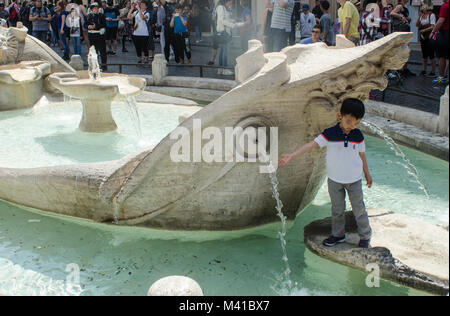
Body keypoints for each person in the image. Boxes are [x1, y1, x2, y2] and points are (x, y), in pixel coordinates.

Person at [279, 98, 373, 249]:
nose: (352, 126)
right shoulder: (330, 134)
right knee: (337, 209)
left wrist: (367, 174)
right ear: (339, 116)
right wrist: (292, 155)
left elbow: (362, 155)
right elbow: (312, 145)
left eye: (356, 123)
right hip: (334, 180)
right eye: (349, 121)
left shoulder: (358, 136)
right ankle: (338, 235)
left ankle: (365, 236)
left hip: (354, 179)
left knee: (359, 208)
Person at [430, 0, 449, 84]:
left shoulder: (445, 6)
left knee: (442, 56)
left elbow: (441, 21)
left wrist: (433, 32)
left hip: (444, 33)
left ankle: (441, 77)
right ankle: (444, 75)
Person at [85, 2, 107, 71]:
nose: (96, 10)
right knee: (94, 51)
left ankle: (104, 66)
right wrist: (88, 26)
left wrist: (96, 26)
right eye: (94, 8)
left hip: (99, 35)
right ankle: (95, 65)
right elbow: (84, 24)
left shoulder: (101, 15)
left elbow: (104, 24)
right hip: (92, 35)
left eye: (97, 8)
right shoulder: (89, 16)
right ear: (91, 9)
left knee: (102, 51)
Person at [416, 2, 436, 77]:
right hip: (423, 37)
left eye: (422, 7)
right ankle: (424, 70)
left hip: (429, 36)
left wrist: (424, 30)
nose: (421, 8)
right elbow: (417, 25)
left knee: (431, 54)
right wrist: (419, 17)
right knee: (424, 54)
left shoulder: (432, 15)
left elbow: (433, 26)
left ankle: (433, 71)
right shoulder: (422, 16)